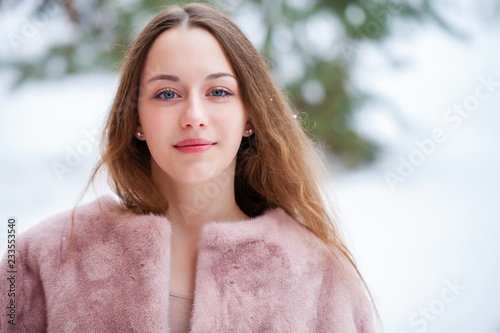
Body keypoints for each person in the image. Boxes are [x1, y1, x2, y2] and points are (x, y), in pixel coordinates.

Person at [0, 3, 378, 332]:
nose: (194, 116)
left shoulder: (320, 277)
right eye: (167, 94)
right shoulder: (41, 261)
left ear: (249, 116)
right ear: (136, 119)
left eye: (218, 92)